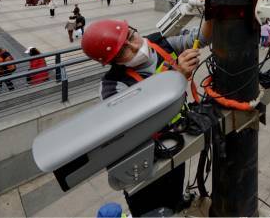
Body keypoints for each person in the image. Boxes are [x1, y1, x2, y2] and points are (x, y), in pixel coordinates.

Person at [81, 15, 212, 215]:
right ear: (112, 61)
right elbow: (134, 122)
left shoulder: (159, 44)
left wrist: (211, 10)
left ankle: (177, 205)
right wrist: (175, 76)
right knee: (148, 208)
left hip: (175, 142)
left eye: (131, 36)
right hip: (143, 163)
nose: (135, 47)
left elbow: (202, 35)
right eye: (124, 50)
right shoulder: (112, 86)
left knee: (174, 193)